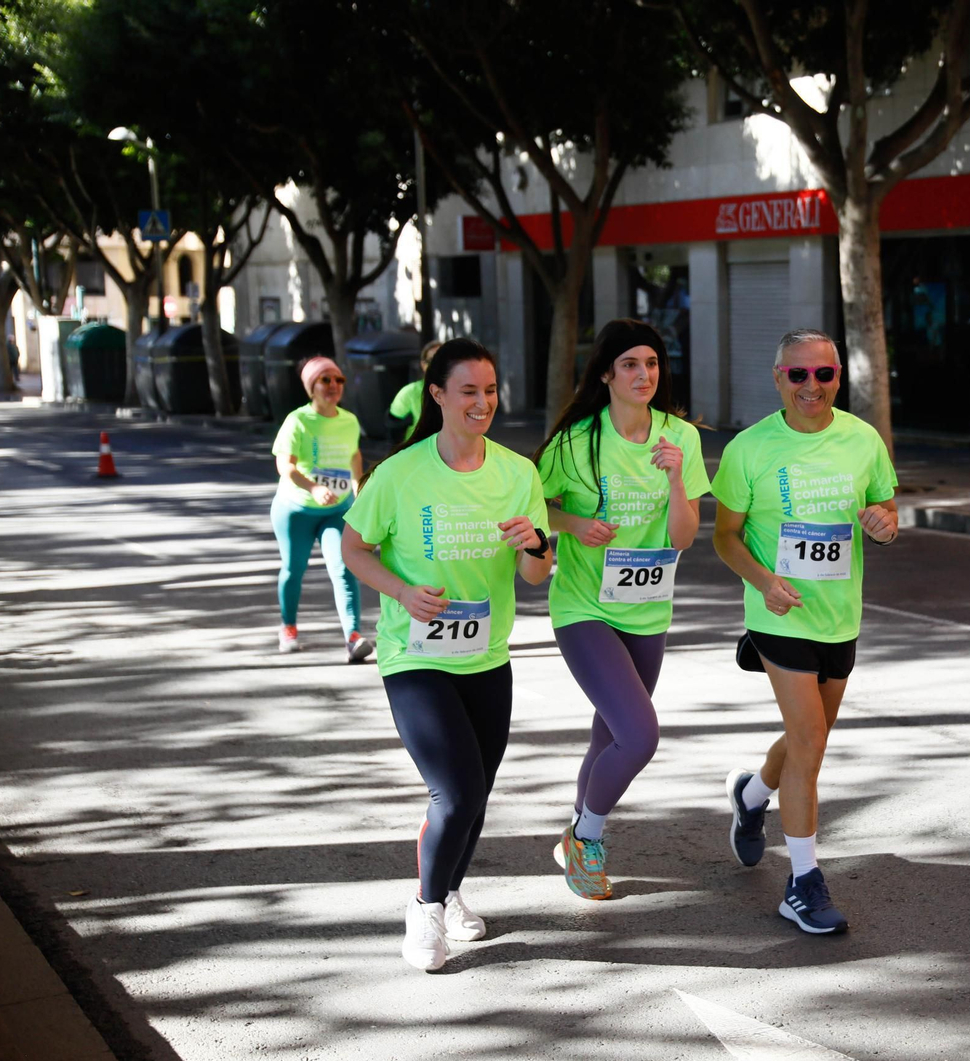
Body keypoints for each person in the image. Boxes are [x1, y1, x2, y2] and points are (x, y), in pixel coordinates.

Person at [340, 338, 552, 972]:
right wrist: (403, 591)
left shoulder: (519, 473)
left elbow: (536, 576)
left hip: (486, 655)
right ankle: (426, 907)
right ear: (437, 395)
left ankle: (452, 890)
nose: (482, 402)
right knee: (454, 791)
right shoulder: (400, 473)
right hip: (415, 655)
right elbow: (355, 549)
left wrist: (536, 543)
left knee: (477, 793)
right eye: (468, 391)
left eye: (490, 391)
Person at [709, 328, 898, 935]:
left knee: (805, 740)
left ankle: (752, 795)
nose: (811, 386)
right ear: (778, 379)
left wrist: (884, 524)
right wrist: (765, 582)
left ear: (838, 378)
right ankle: (803, 883)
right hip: (778, 615)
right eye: (798, 375)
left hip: (839, 616)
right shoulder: (750, 448)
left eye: (824, 375)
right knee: (811, 740)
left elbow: (884, 512)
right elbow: (724, 536)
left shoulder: (863, 439)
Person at [533, 319, 710, 900]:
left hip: (648, 608)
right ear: (606, 372)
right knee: (639, 736)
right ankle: (586, 837)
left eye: (652, 363)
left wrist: (677, 478)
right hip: (584, 606)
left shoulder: (679, 437)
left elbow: (684, 537)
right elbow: (537, 509)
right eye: (630, 364)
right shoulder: (575, 441)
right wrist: (573, 523)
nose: (643, 374)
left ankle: (576, 839)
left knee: (608, 737)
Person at [269, 355, 371, 662]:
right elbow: (284, 466)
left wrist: (358, 487)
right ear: (311, 386)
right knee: (293, 568)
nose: (333, 386)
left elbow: (354, 455)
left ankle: (353, 637)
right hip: (296, 508)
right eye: (325, 380)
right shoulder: (298, 421)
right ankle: (288, 627)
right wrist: (313, 487)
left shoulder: (349, 420)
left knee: (344, 568)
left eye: (338, 380)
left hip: (336, 508)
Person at [388, 340, 442, 443]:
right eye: (431, 360)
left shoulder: (463, 392)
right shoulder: (409, 393)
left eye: (442, 360)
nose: (437, 365)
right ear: (423, 364)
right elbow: (394, 430)